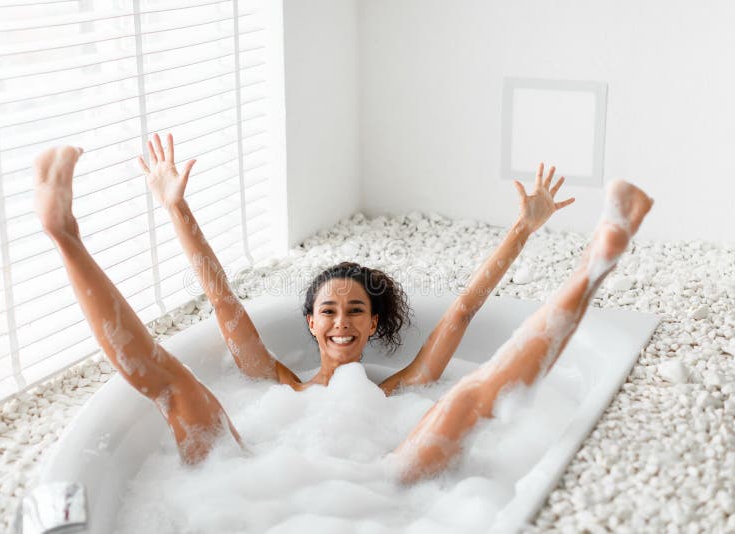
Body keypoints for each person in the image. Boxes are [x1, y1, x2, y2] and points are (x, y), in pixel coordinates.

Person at [33, 132, 652, 483]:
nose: (341, 321)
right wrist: (176, 207)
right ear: (310, 324)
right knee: (177, 385)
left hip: (383, 480)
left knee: (466, 399)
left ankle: (597, 259)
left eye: (356, 311)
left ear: (373, 323)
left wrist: (524, 227)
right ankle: (65, 234)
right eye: (328, 311)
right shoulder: (275, 382)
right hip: (248, 477)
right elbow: (223, 303)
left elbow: (463, 312)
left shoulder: (400, 394)